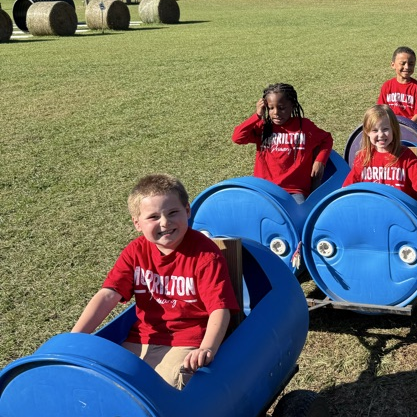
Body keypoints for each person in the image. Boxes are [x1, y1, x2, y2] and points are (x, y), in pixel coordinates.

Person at [71, 174, 238, 390]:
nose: (165, 222)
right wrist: (74, 338)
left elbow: (219, 308)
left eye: (173, 212)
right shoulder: (135, 252)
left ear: (187, 211)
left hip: (187, 340)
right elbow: (108, 294)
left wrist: (206, 348)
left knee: (166, 389)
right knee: (110, 383)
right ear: (137, 223)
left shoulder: (205, 255)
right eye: (153, 217)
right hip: (141, 338)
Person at [232, 83, 333, 202]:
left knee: (298, 216)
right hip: (265, 189)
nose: (276, 112)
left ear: (293, 106)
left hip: (294, 191)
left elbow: (327, 139)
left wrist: (320, 161)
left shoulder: (304, 126)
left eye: (281, 108)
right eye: (271, 108)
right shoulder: (263, 127)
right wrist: (258, 115)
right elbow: (237, 137)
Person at [344, 106, 417, 209]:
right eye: (375, 130)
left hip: (401, 210)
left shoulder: (406, 155)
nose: (381, 135)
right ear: (367, 132)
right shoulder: (363, 157)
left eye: (385, 129)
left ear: (393, 129)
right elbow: (349, 185)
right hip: (372, 209)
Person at [378, 46, 417, 123]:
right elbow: (381, 109)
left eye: (411, 64)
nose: (407, 67)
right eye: (402, 63)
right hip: (391, 123)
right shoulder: (387, 86)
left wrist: (408, 125)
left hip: (413, 123)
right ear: (393, 65)